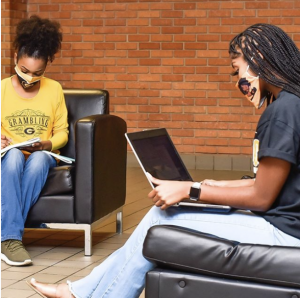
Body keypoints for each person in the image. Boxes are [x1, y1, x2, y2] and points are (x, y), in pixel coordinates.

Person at [28, 23, 300, 298]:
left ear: (259, 60)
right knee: (162, 216)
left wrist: (191, 190)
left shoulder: (282, 113)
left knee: (161, 220)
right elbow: (273, 183)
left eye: (237, 69)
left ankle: (88, 294)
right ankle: (80, 290)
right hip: (284, 224)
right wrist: (217, 184)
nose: (236, 80)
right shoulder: (288, 103)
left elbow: (262, 197)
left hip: (284, 233)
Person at [1, 15, 68, 266]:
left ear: (47, 65)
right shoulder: (1, 90)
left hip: (41, 155)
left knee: (41, 158)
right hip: (10, 156)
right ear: (16, 56)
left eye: (37, 73)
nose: (29, 78)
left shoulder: (54, 89)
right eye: (25, 71)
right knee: (14, 155)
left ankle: (8, 235)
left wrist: (47, 144)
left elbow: (62, 131)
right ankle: (10, 238)